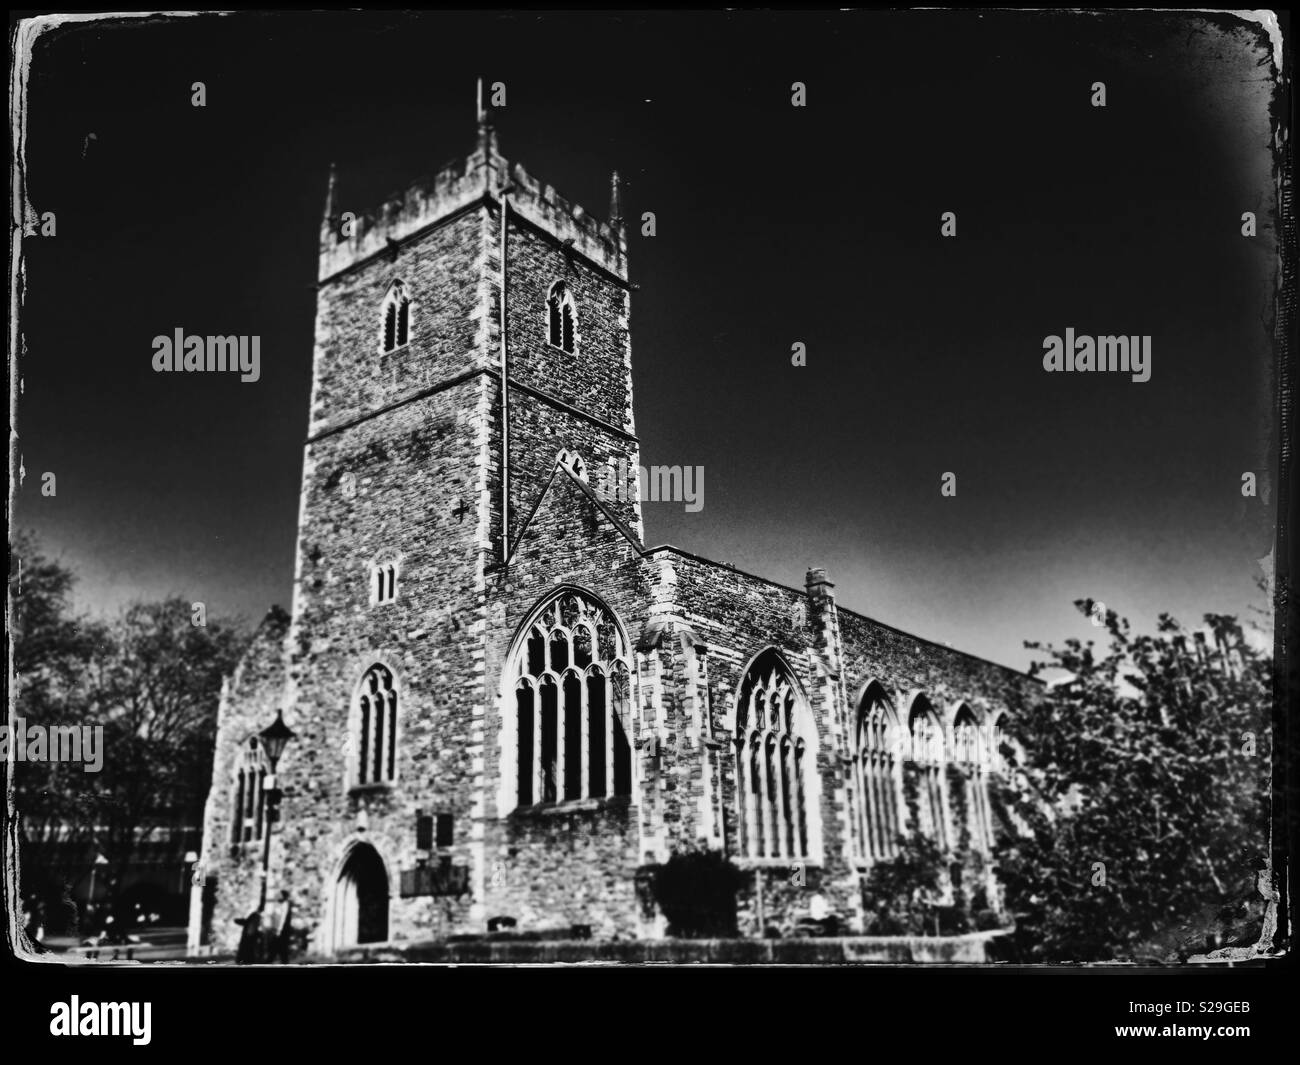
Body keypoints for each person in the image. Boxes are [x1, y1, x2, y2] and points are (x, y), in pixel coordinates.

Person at [266, 890, 294, 963]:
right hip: (282, 932)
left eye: (279, 895)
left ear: (283, 896)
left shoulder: (286, 904)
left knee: (278, 951)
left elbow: (283, 919)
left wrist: (279, 930)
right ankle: (269, 962)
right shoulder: (284, 904)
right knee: (281, 952)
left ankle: (268, 963)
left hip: (282, 932)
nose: (277, 896)